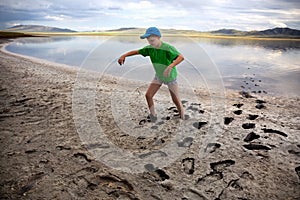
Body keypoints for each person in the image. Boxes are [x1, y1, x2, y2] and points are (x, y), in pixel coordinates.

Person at [118, 27, 185, 120]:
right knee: (148, 95)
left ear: (158, 37)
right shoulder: (149, 49)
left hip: (170, 77)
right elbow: (137, 51)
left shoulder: (167, 48)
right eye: (148, 40)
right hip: (159, 76)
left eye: (152, 40)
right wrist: (124, 55)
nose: (150, 42)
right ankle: (153, 115)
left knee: (176, 100)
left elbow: (181, 57)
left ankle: (182, 116)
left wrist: (170, 66)